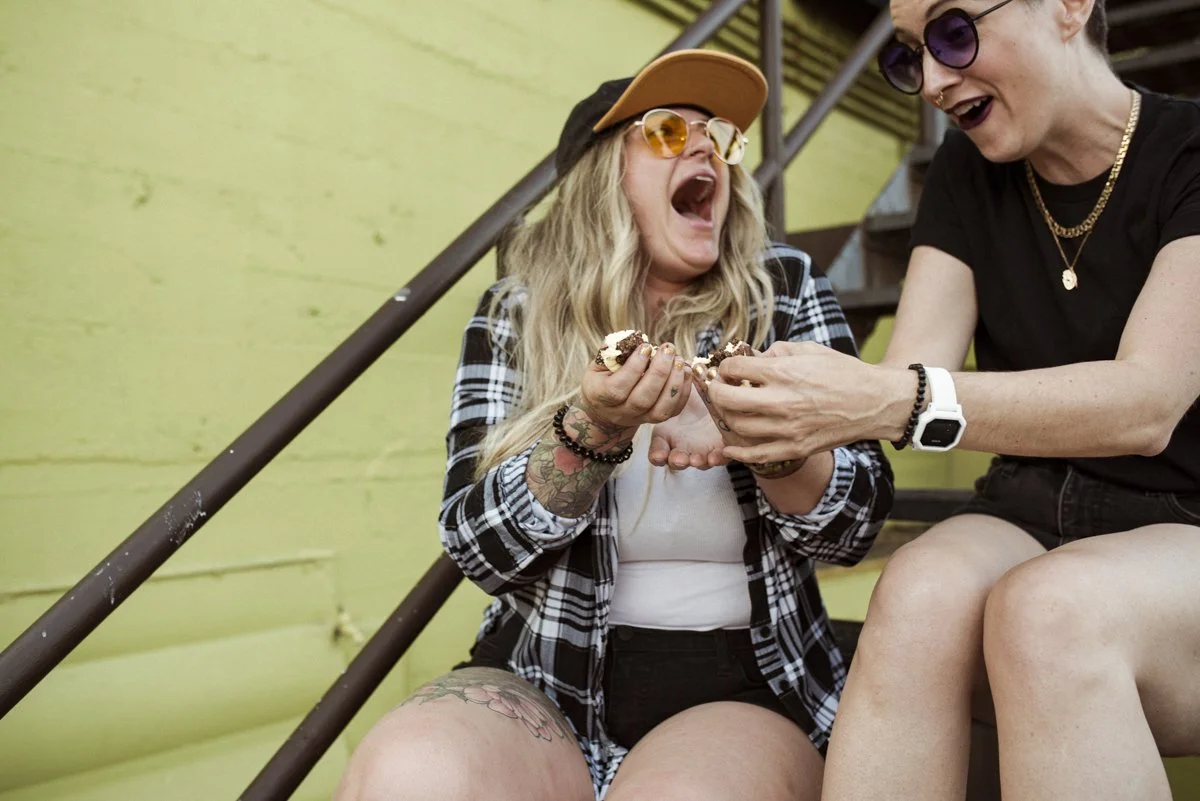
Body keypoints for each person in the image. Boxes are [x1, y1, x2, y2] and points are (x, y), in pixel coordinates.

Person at [332, 49, 894, 801]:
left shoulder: (783, 289)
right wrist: (591, 431)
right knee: (408, 776)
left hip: (740, 681)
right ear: (602, 177)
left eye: (719, 138)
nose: (706, 151)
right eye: (667, 132)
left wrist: (757, 436)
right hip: (544, 671)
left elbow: (855, 526)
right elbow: (479, 550)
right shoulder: (517, 314)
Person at [700, 1, 1200, 800]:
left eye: (954, 32)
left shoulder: (1189, 150)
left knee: (1048, 610)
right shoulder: (966, 172)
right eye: (909, 54)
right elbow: (907, 379)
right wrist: (771, 415)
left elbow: (1147, 404)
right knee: (915, 589)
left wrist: (885, 397)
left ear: (1070, 6)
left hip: (1186, 520)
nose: (932, 80)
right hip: (1030, 505)